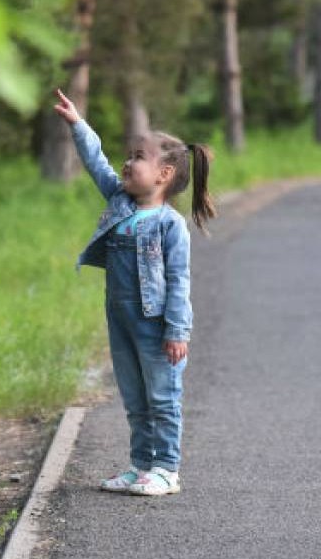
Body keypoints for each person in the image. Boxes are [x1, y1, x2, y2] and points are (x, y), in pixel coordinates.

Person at [52, 88, 215, 497]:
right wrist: (78, 124)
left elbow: (179, 282)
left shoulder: (169, 225)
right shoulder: (120, 202)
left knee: (162, 398)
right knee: (135, 398)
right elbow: (96, 162)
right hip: (121, 321)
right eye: (129, 155)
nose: (127, 162)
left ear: (164, 174)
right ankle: (142, 465)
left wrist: (177, 331)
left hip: (155, 326)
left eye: (138, 157)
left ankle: (167, 469)